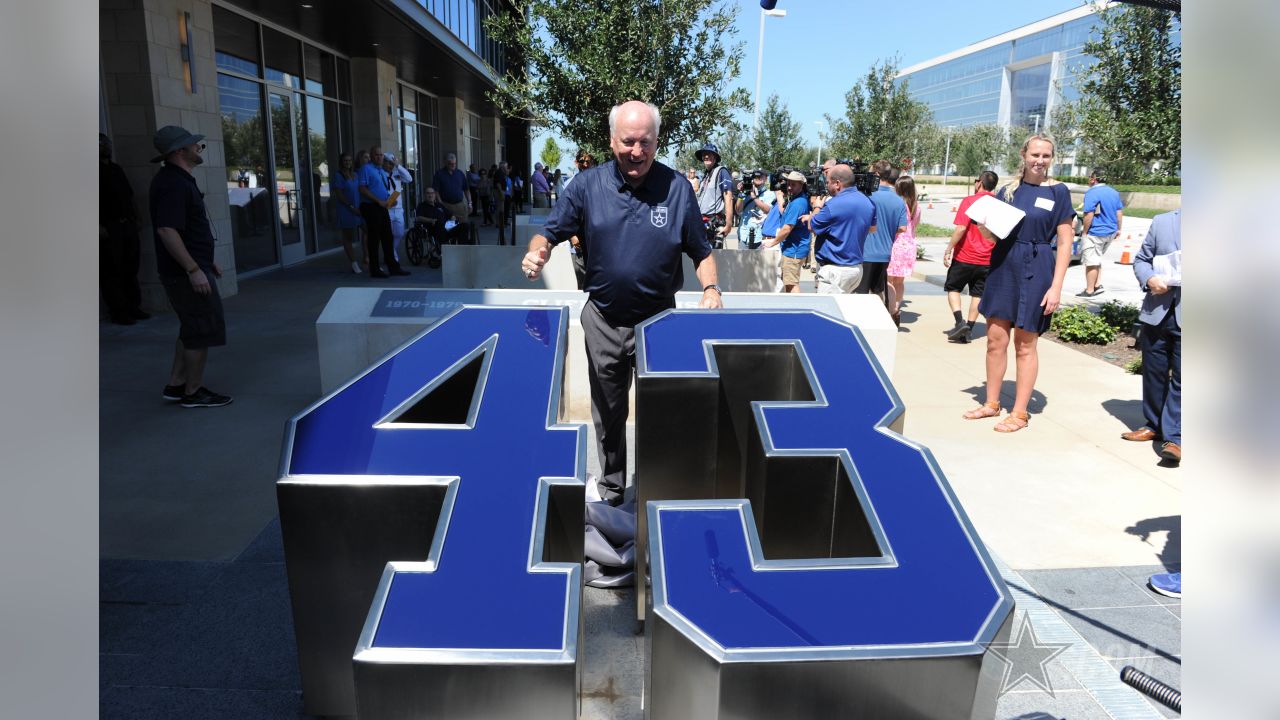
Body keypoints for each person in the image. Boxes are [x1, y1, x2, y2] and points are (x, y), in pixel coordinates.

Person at [521, 100, 722, 505]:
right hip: (605, 320)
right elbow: (549, 232)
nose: (636, 151)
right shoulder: (586, 186)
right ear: (612, 141)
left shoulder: (677, 189)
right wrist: (537, 252)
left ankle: (657, 490)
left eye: (645, 142)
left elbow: (701, 252)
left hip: (659, 322)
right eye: (628, 141)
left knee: (663, 413)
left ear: (656, 141)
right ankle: (612, 488)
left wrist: (711, 290)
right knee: (609, 413)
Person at [963, 135, 1074, 433]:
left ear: (1052, 158)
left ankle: (1020, 413)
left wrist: (1056, 286)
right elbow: (991, 236)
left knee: (1026, 344)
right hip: (1003, 266)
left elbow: (1065, 242)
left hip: (1038, 269)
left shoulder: (1059, 192)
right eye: (1035, 154)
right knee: (995, 340)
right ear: (1024, 155)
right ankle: (991, 403)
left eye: (1046, 156)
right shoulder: (1007, 191)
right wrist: (984, 222)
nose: (1040, 161)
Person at [148, 125, 232, 408]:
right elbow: (167, 231)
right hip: (185, 274)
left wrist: (206, 263)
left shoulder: (178, 180)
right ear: (178, 151)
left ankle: (176, 384)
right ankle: (193, 391)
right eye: (193, 145)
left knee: (191, 327)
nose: (198, 148)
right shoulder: (172, 183)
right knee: (201, 329)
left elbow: (185, 231)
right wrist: (193, 269)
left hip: (193, 267)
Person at [1121, 209, 1181, 464]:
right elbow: (1142, 260)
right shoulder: (1163, 222)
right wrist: (1149, 278)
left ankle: (1175, 439)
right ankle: (1154, 425)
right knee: (1154, 373)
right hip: (1158, 310)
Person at [943, 171, 999, 343]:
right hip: (987, 259)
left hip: (964, 256)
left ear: (979, 183)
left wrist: (949, 249)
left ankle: (960, 322)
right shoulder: (998, 204)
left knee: (953, 288)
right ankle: (969, 330)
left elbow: (961, 228)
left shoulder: (969, 201)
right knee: (978, 294)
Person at [804, 164, 877, 294]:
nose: (826, 186)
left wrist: (817, 207)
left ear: (837, 183)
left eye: (828, 182)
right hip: (856, 269)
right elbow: (872, 228)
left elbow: (812, 226)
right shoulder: (868, 202)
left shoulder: (832, 205)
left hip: (835, 271)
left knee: (827, 311)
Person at [100, 132, 149, 325]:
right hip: (108, 228)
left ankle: (133, 307)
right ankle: (118, 311)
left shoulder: (116, 169)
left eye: (107, 143)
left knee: (131, 267)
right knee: (112, 270)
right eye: (100, 144)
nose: (105, 146)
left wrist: (137, 217)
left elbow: (130, 195)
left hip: (126, 224)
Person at [860, 160, 908, 309]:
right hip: (885, 253)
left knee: (860, 293)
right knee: (878, 291)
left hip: (865, 252)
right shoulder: (899, 200)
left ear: (876, 174)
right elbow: (902, 228)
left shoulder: (867, 196)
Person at [358, 145, 409, 278]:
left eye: (381, 155)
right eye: (377, 155)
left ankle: (394, 267)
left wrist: (389, 201)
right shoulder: (366, 169)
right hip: (371, 206)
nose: (379, 157)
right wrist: (378, 201)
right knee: (374, 239)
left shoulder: (380, 170)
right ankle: (375, 270)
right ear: (371, 156)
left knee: (388, 237)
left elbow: (384, 188)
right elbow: (363, 189)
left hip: (383, 206)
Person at [1078, 167, 1125, 297]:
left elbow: (1089, 214)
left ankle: (1089, 290)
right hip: (1110, 232)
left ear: (1094, 179)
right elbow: (1119, 212)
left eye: (1090, 178)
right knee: (1097, 258)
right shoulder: (1114, 192)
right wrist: (1119, 229)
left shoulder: (1092, 193)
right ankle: (1097, 284)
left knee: (1091, 262)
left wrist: (1084, 232)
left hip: (1095, 232)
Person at [762, 171, 810, 293]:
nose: (789, 187)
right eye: (788, 183)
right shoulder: (796, 200)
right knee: (788, 282)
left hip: (794, 250)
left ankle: (797, 309)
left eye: (793, 184)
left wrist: (773, 242)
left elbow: (787, 228)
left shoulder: (798, 203)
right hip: (792, 248)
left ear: (801, 185)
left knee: (791, 284)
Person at [886, 174, 921, 324]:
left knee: (887, 280)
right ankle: (897, 309)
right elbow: (915, 227)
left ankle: (889, 309)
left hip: (896, 244)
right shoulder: (916, 207)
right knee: (899, 282)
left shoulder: (898, 204)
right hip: (909, 246)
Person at [694, 142, 736, 248]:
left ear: (715, 157)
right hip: (701, 223)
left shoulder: (721, 171)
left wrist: (729, 223)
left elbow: (728, 197)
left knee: (713, 259)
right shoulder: (705, 175)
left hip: (713, 223)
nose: (706, 156)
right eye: (704, 154)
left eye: (710, 154)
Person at [332, 152, 365, 274]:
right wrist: (351, 207)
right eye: (345, 160)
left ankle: (367, 258)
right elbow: (339, 195)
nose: (348, 163)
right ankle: (353, 263)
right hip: (347, 209)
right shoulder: (338, 175)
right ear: (341, 162)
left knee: (368, 230)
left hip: (359, 209)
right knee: (348, 237)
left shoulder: (355, 174)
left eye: (350, 160)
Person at [384, 152, 413, 264]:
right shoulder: (381, 174)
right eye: (388, 163)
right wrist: (389, 201)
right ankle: (392, 257)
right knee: (388, 234)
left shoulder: (397, 173)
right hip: (387, 208)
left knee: (399, 233)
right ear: (384, 163)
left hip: (398, 209)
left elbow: (409, 179)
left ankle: (391, 253)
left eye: (392, 163)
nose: (390, 165)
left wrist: (398, 166)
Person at [735, 169, 774, 249]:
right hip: (743, 235)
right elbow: (738, 210)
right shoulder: (745, 192)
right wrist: (741, 194)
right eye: (755, 176)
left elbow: (768, 210)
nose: (757, 178)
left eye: (760, 176)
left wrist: (754, 197)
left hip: (759, 236)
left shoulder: (770, 194)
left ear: (765, 178)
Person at [432, 152, 471, 225]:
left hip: (459, 205)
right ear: (445, 162)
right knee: (448, 227)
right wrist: (441, 204)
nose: (453, 165)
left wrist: (470, 203)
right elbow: (436, 191)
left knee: (463, 227)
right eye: (450, 164)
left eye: (454, 163)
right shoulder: (439, 174)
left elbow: (466, 189)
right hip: (446, 205)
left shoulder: (460, 173)